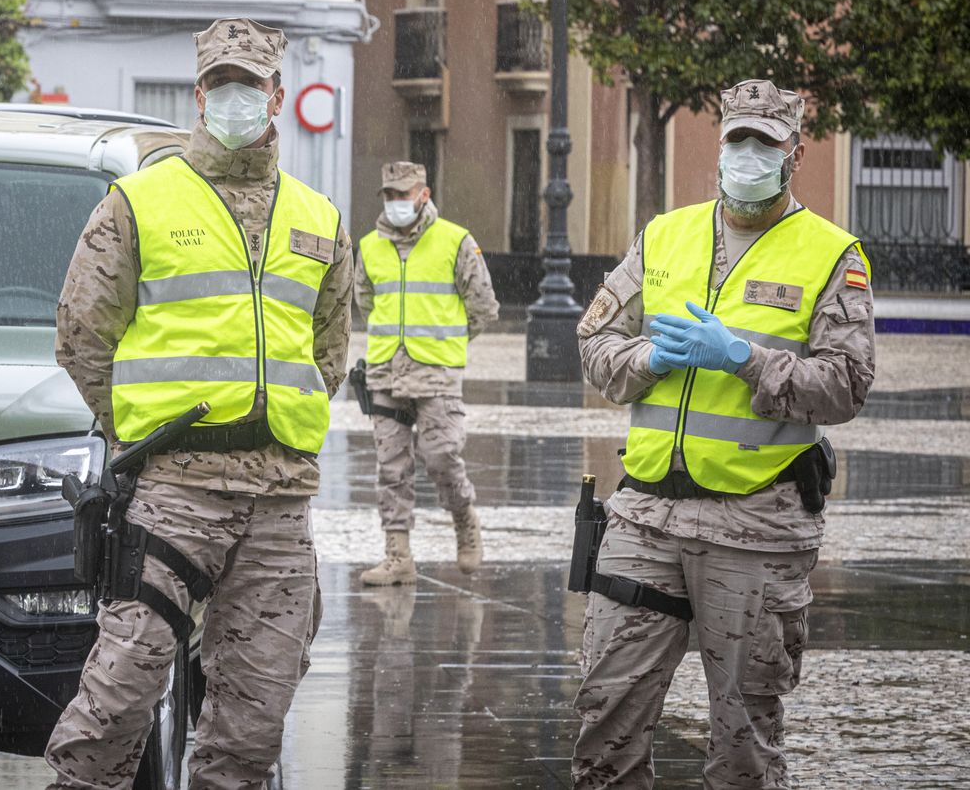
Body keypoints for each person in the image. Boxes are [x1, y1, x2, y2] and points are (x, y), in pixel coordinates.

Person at [44, 17, 352, 789]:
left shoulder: (319, 218)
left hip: (279, 500)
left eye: (250, 85)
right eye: (222, 84)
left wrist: (281, 420)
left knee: (253, 722)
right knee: (116, 699)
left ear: (277, 95)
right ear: (199, 93)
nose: (236, 98)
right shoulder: (138, 202)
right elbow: (83, 335)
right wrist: (139, 434)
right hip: (176, 490)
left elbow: (328, 352)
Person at [572, 79, 876, 789]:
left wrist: (743, 358)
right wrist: (647, 357)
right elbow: (594, 343)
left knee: (744, 742)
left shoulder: (831, 254)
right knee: (604, 719)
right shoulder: (665, 234)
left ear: (793, 153)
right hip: (645, 515)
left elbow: (846, 384)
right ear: (719, 144)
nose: (747, 155)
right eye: (736, 139)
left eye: (763, 144)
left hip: (756, 527)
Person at [354, 162, 498, 584]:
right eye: (390, 195)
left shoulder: (455, 241)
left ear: (424, 193)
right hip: (384, 372)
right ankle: (398, 556)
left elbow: (483, 307)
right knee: (391, 467)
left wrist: (446, 344)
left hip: (436, 372)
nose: (397, 203)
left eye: (404, 194)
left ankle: (464, 520)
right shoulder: (369, 247)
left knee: (441, 458)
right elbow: (366, 303)